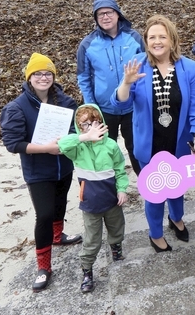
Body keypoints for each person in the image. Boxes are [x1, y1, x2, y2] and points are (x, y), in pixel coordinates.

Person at [112, 15, 195, 252]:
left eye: (162, 36)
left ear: (172, 40)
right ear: (145, 41)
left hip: (178, 141)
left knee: (177, 186)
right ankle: (155, 234)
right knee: (154, 192)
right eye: (152, 37)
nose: (157, 41)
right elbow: (120, 104)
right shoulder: (136, 65)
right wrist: (125, 83)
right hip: (148, 143)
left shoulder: (189, 67)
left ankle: (176, 219)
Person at [0, 53, 82, 292]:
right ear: (29, 78)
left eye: (48, 73)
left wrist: (69, 141)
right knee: (44, 214)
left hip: (64, 166)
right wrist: (47, 148)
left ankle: (58, 237)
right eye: (38, 73)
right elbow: (13, 143)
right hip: (38, 171)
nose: (43, 77)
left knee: (60, 204)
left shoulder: (65, 102)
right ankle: (44, 266)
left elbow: (74, 129)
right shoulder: (16, 107)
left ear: (54, 76)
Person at [57, 104, 128, 293]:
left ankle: (116, 249)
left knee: (116, 227)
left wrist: (122, 190)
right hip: (90, 203)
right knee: (92, 239)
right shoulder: (78, 148)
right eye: (85, 124)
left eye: (95, 122)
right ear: (79, 127)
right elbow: (62, 144)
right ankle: (87, 271)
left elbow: (120, 170)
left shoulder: (111, 145)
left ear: (102, 122)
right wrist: (84, 137)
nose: (91, 127)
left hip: (112, 200)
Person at [77, 0, 145, 175]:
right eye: (100, 14)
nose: (105, 17)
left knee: (136, 147)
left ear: (117, 14)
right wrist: (92, 108)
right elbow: (83, 78)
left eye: (109, 12)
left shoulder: (134, 37)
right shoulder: (88, 44)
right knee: (106, 148)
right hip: (104, 109)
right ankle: (110, 187)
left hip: (133, 106)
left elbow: (147, 68)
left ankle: (147, 183)